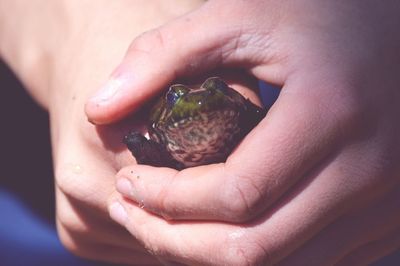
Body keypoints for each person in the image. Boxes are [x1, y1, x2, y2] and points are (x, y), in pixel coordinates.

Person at [1, 0, 399, 265]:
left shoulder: (242, 117)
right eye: (181, 97)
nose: (202, 100)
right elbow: (136, 142)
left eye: (215, 93)